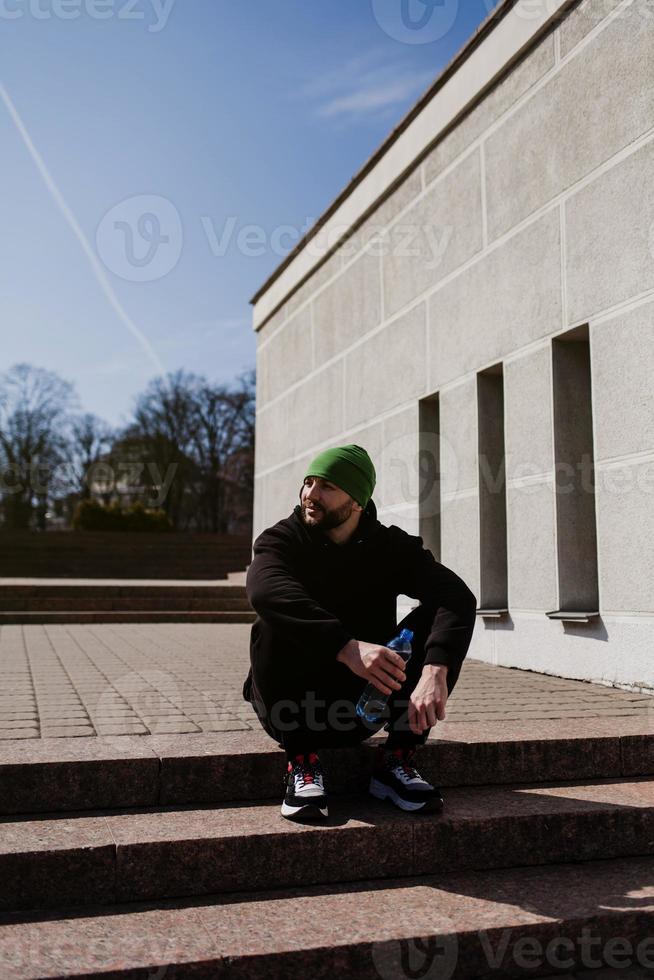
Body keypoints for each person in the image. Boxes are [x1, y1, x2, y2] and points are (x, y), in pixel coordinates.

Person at [242, 444, 477, 822]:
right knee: (270, 620)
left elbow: (457, 596)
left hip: (363, 704)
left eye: (327, 487)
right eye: (308, 482)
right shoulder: (283, 539)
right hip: (291, 709)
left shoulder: (388, 546)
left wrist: (437, 668)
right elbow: (263, 589)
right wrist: (346, 647)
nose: (310, 495)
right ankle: (302, 764)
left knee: (436, 619)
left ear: (356, 501)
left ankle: (396, 761)